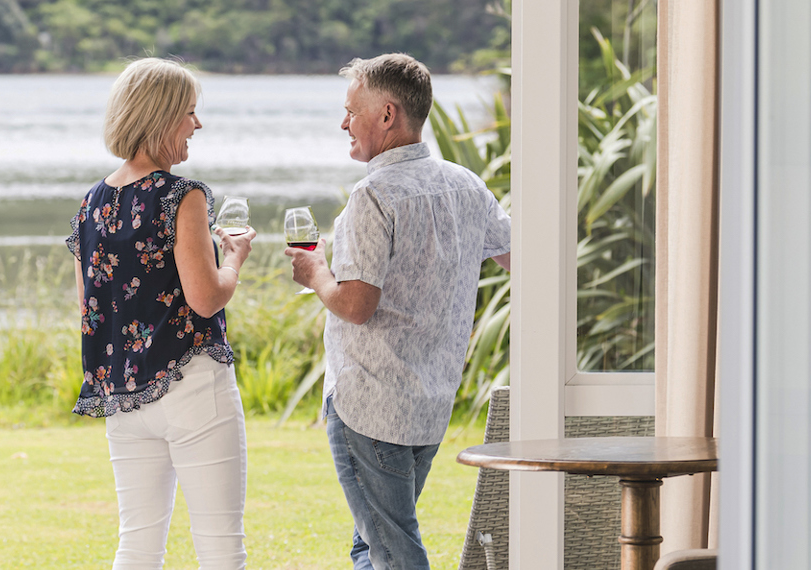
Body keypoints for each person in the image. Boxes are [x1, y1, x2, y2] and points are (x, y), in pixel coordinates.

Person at [286, 53, 513, 570]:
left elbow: (356, 305)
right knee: (372, 543)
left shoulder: (374, 196)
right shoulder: (465, 184)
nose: (343, 122)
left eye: (351, 110)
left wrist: (316, 272)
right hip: (429, 404)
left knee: (393, 550)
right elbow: (512, 254)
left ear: (387, 115)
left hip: (371, 406)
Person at [67, 57, 257, 570]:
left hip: (125, 398)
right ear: (162, 115)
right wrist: (234, 260)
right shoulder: (182, 195)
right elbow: (206, 299)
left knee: (137, 545)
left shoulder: (91, 204)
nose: (197, 124)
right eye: (190, 112)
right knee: (221, 547)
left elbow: (88, 306)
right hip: (193, 386)